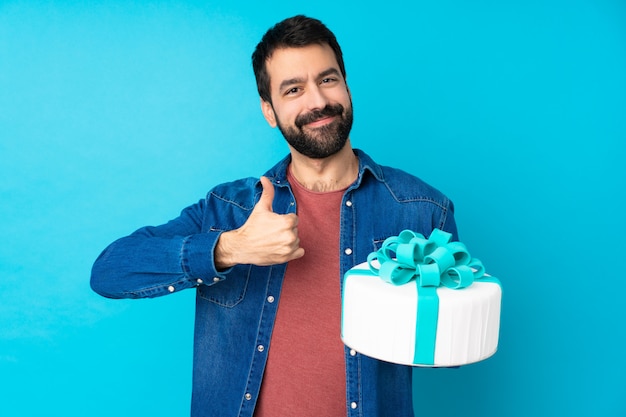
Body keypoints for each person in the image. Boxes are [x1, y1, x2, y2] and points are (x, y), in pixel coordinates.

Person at [91, 15, 458, 417]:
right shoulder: (228, 209)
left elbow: (451, 344)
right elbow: (109, 272)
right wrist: (229, 248)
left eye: (328, 79)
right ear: (269, 110)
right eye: (294, 89)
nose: (317, 101)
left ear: (347, 86)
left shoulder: (424, 211)